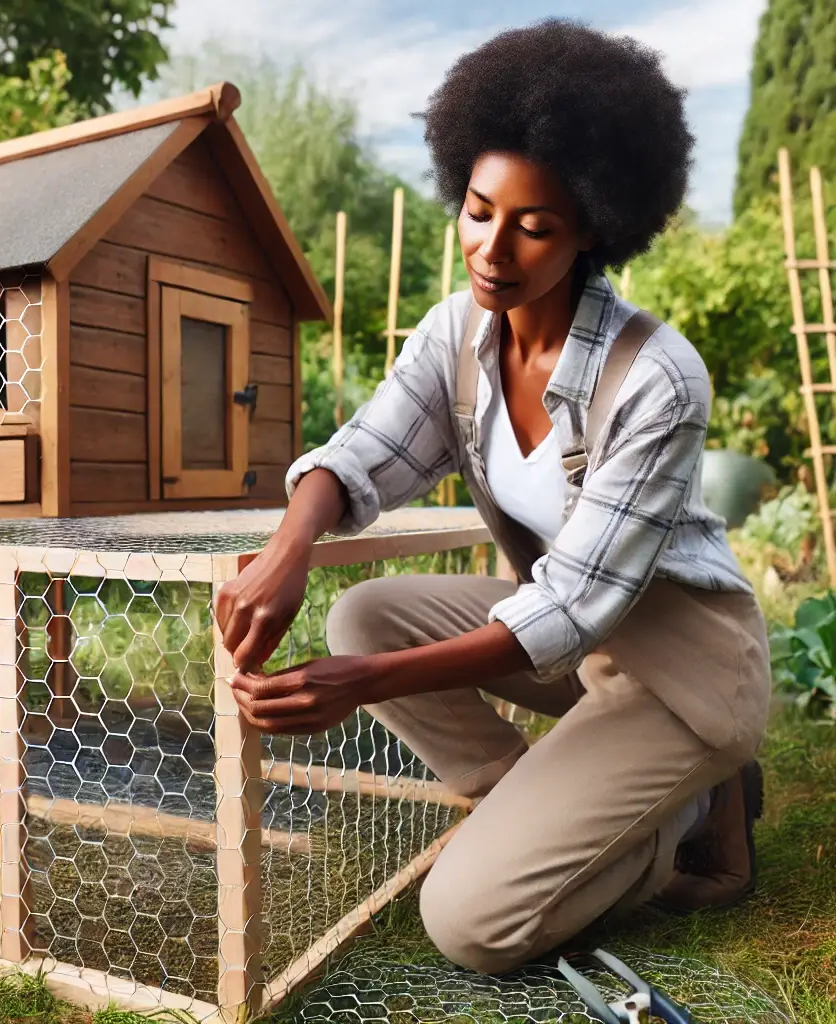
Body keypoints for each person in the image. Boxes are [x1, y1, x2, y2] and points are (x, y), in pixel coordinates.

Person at [213, 19, 771, 975]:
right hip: (579, 651)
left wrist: (367, 689)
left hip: (679, 669)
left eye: (534, 225)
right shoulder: (458, 333)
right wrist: (287, 548)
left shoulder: (657, 380)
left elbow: (572, 606)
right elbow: (370, 450)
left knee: (472, 928)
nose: (493, 249)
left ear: (595, 224)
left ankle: (689, 804)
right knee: (366, 615)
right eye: (478, 210)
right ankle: (533, 806)